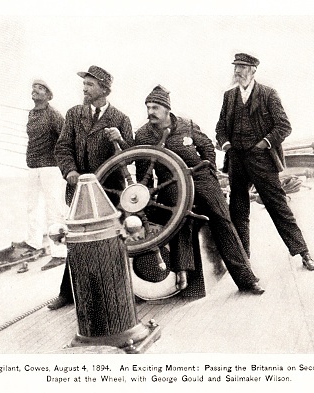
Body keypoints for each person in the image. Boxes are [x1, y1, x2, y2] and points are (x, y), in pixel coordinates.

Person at [134, 85, 264, 295]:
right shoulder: (143, 135)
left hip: (201, 177)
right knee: (179, 216)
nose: (150, 112)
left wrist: (210, 168)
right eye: (148, 107)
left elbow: (207, 147)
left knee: (223, 220)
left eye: (155, 107)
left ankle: (247, 279)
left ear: (167, 109)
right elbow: (143, 173)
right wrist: (144, 200)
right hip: (171, 182)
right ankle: (183, 271)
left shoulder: (188, 125)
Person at [215, 53, 314, 271]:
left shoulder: (268, 94)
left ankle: (303, 253)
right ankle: (244, 260)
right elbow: (221, 128)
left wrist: (263, 144)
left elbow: (283, 126)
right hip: (236, 161)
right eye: (236, 67)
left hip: (262, 160)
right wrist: (226, 146)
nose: (237, 71)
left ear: (253, 70)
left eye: (242, 67)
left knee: (278, 207)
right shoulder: (229, 96)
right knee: (238, 210)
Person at [48, 65, 134, 310]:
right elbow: (62, 148)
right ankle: (67, 293)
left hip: (110, 193)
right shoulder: (74, 114)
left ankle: (114, 295)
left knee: (112, 242)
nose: (84, 89)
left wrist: (121, 140)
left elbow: (130, 157)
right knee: (76, 241)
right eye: (84, 84)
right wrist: (70, 171)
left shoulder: (121, 119)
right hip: (79, 191)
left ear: (104, 89)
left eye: (90, 85)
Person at [14, 80, 67, 273]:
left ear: (49, 96)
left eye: (41, 88)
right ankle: (34, 243)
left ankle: (60, 253)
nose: (35, 90)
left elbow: (65, 140)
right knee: (32, 206)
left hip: (51, 169)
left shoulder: (53, 115)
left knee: (54, 209)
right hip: (33, 168)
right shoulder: (32, 114)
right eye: (34, 87)